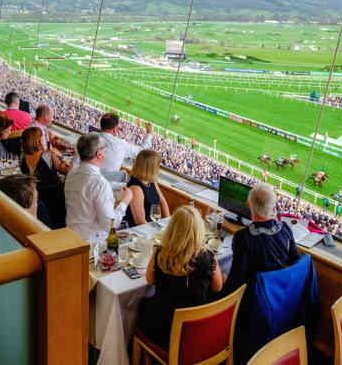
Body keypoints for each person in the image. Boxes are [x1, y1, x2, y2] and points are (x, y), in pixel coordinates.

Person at [138, 206, 225, 350]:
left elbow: (149, 280)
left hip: (161, 329)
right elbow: (218, 287)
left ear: (172, 229)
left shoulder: (160, 253)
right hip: (196, 329)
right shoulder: (208, 257)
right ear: (199, 231)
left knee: (140, 304)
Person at [222, 183, 300, 294]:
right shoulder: (285, 228)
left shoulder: (242, 237)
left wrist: (222, 284)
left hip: (254, 297)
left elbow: (236, 279)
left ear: (248, 204)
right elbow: (296, 261)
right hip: (280, 294)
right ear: (273, 208)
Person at [64, 132, 132, 240]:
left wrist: (121, 185)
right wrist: (125, 201)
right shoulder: (99, 183)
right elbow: (110, 226)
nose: (107, 150)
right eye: (105, 148)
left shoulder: (72, 174)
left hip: (71, 236)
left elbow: (90, 186)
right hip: (92, 244)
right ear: (99, 154)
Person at [73, 112, 154, 187]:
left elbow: (74, 164)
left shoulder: (88, 137)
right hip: (104, 185)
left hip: (84, 181)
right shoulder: (120, 144)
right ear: (115, 129)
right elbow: (142, 151)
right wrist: (149, 133)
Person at [20, 127, 70, 229]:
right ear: (38, 140)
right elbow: (68, 171)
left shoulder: (23, 157)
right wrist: (61, 157)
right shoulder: (48, 154)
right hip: (56, 197)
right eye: (43, 137)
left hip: (38, 197)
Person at [122, 150, 170, 228]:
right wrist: (157, 230)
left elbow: (162, 201)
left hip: (152, 225)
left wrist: (168, 223)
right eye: (157, 166)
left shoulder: (151, 181)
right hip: (139, 230)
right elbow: (140, 221)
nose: (159, 168)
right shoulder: (136, 188)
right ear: (151, 168)